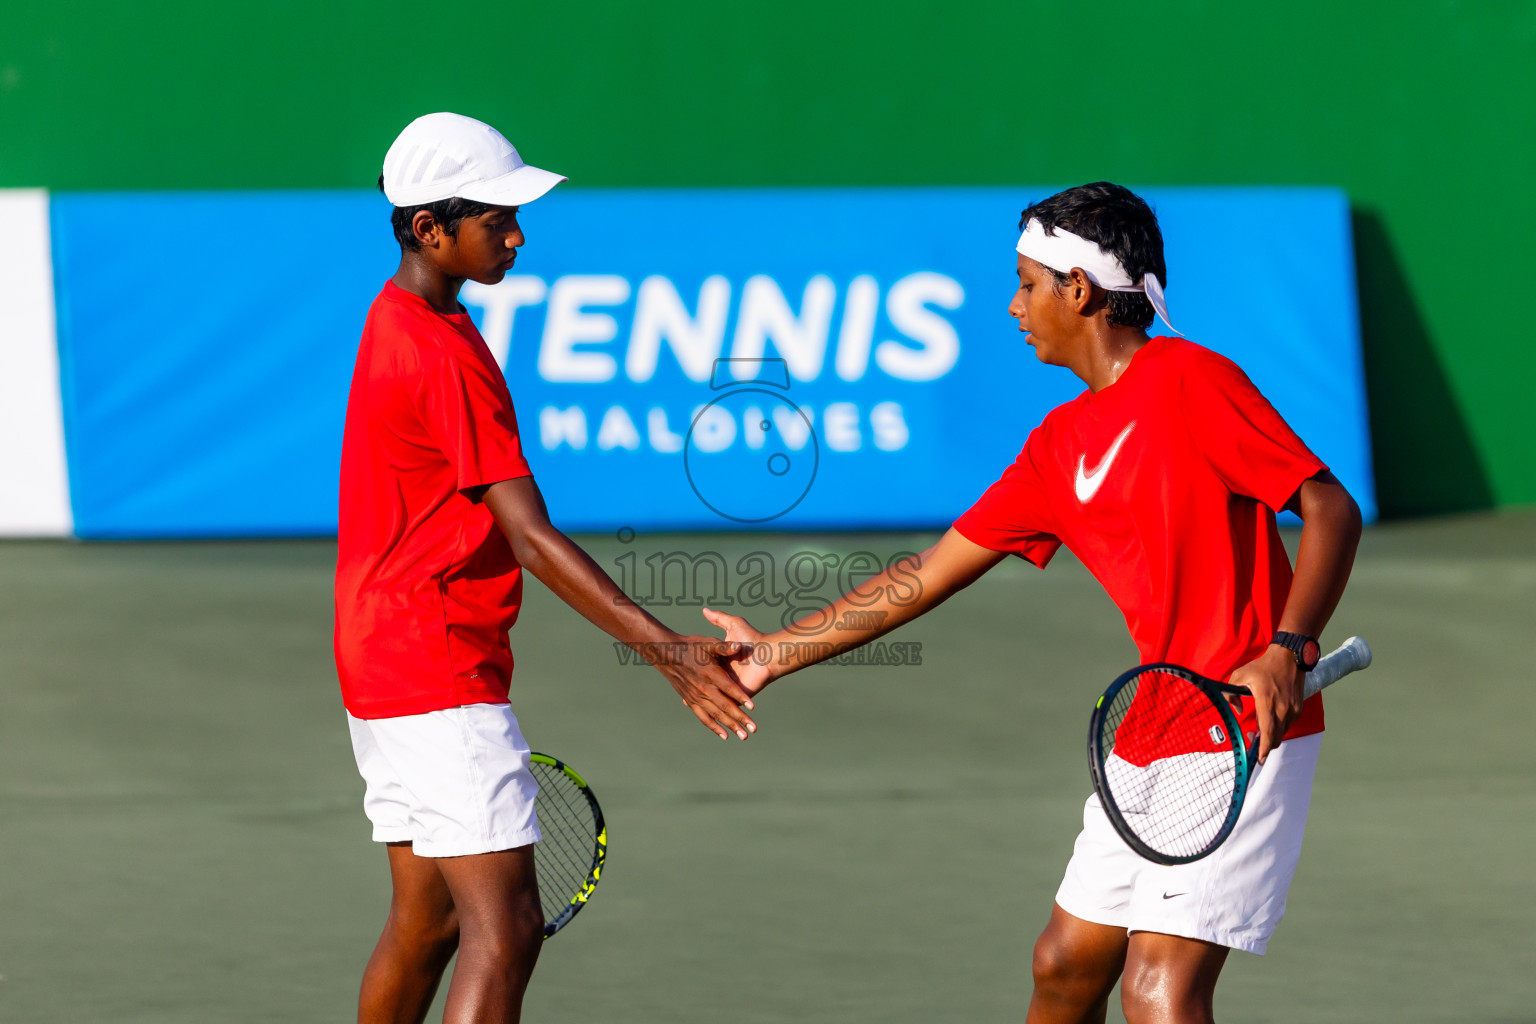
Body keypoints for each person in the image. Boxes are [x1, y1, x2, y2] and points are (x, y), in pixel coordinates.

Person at [706, 181, 1362, 1024]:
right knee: (1063, 968)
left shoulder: (1193, 380)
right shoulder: (1059, 447)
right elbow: (932, 571)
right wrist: (771, 654)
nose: (1015, 306)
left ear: (1078, 291)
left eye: (1027, 283)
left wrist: (1289, 646)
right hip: (1153, 721)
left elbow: (1328, 507)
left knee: (1159, 992)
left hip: (1242, 725)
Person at [335, 112, 757, 1024]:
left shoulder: (402, 317)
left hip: (380, 659)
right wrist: (668, 652)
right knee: (507, 925)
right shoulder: (440, 351)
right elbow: (529, 536)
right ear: (429, 228)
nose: (518, 235)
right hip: (438, 664)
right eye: (497, 218)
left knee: (427, 924)